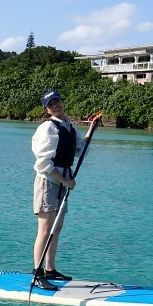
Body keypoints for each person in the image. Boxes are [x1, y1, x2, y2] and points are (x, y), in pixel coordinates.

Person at [31, 90, 96, 290]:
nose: (55, 106)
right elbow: (42, 163)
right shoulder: (48, 128)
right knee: (44, 229)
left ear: (62, 101)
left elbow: (78, 151)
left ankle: (50, 269)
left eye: (57, 101)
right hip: (48, 182)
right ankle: (38, 273)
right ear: (47, 109)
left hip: (63, 180)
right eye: (51, 104)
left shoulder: (69, 126)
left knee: (56, 228)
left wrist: (91, 131)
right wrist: (64, 181)